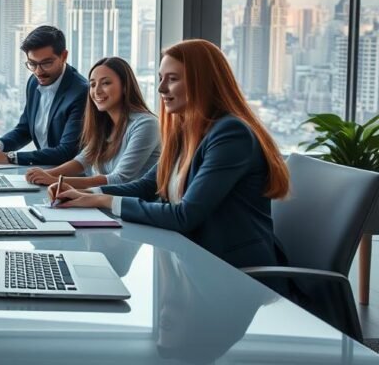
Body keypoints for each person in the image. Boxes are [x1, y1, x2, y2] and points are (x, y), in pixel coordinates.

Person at [50, 39, 290, 270]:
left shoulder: (230, 134)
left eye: (172, 79)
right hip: (191, 259)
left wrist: (104, 200)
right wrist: (84, 194)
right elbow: (145, 186)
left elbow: (185, 215)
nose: (161, 88)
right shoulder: (185, 132)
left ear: (203, 82)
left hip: (233, 270)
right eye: (160, 78)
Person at [25, 57, 160, 188]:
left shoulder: (146, 124)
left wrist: (56, 180)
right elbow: (82, 161)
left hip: (131, 206)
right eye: (93, 84)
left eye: (106, 83)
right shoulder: (105, 124)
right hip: (103, 202)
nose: (97, 91)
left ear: (125, 86)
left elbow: (119, 179)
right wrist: (45, 174)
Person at [0, 25, 87, 165]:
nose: (38, 72)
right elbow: (24, 130)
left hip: (70, 179)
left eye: (46, 63)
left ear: (63, 56)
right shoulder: (34, 82)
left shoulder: (80, 92)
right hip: (42, 171)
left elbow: (67, 152)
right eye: (32, 64)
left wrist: (10, 158)